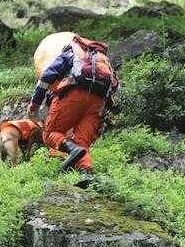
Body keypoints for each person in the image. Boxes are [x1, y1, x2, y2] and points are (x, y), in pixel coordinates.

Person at [27, 35, 118, 180]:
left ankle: (73, 151)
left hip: (74, 97)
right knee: (82, 143)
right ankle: (86, 175)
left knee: (50, 133)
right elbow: (114, 86)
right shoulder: (103, 60)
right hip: (98, 104)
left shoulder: (71, 52)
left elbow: (46, 77)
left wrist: (35, 104)